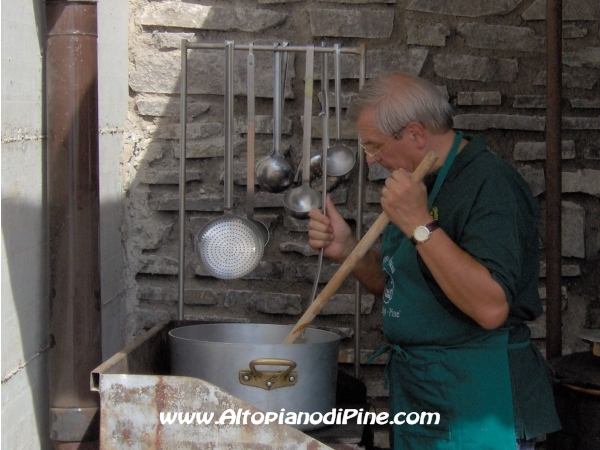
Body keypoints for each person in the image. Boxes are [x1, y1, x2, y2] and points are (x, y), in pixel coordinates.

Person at [307, 72, 561, 449]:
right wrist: (349, 250)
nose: (373, 160)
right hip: (420, 391)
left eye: (375, 147)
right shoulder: (415, 179)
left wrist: (419, 224)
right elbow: (398, 284)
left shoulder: (491, 185)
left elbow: (490, 307)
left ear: (414, 134)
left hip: (477, 398)